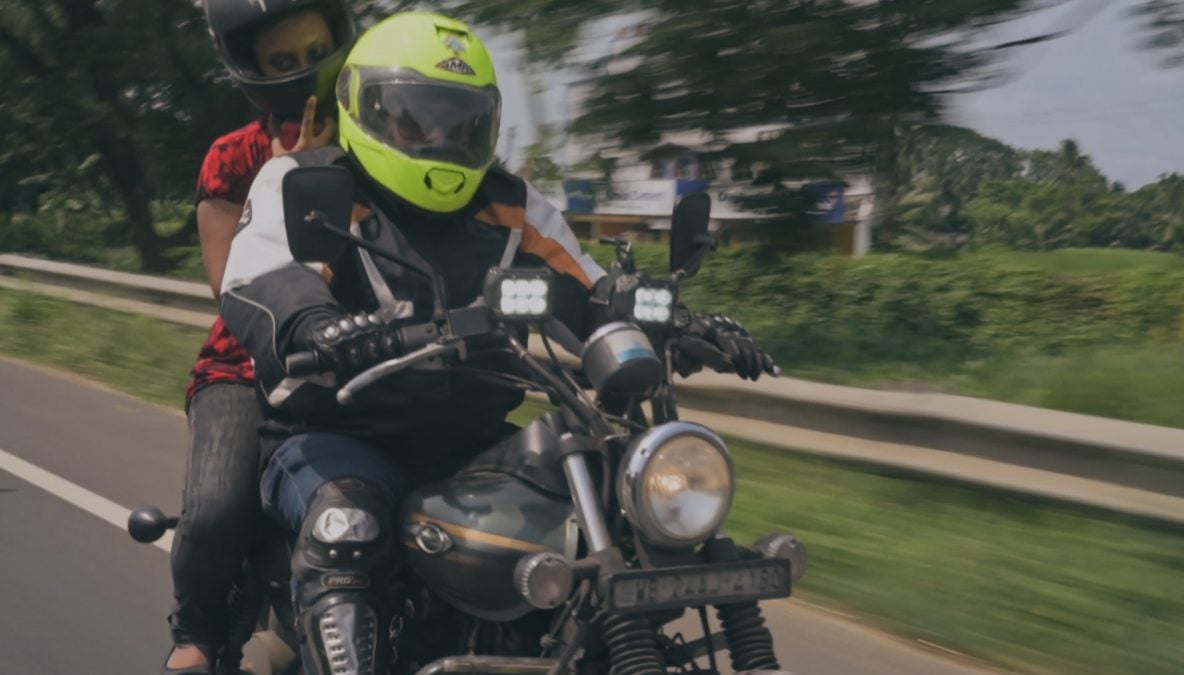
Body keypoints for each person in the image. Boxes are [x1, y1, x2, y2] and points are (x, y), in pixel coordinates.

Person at [218, 12, 776, 674]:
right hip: (338, 436)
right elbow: (260, 277)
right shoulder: (309, 184)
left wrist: (676, 322)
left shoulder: (513, 204)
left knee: (605, 516)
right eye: (415, 117)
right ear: (364, 107)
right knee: (349, 525)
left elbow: (587, 289)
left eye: (460, 121)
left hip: (475, 453)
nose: (440, 136)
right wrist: (314, 325)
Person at [166, 1, 356, 673]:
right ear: (254, 71)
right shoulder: (233, 157)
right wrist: (288, 181)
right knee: (217, 508)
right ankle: (196, 628)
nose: (305, 70)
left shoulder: (384, 147)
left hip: (358, 362)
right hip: (243, 366)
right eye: (284, 61)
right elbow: (231, 289)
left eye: (316, 49)